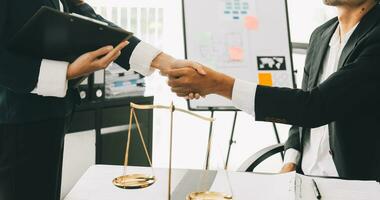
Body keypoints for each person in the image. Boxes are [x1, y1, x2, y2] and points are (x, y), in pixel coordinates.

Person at [0, 0, 204, 199]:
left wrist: (168, 63)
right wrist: (67, 71)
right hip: (15, 121)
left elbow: (96, 27)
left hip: (52, 115)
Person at [167, 0, 380, 181]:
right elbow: (299, 113)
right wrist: (291, 161)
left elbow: (315, 106)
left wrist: (218, 85)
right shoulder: (321, 35)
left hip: (356, 185)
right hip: (303, 180)